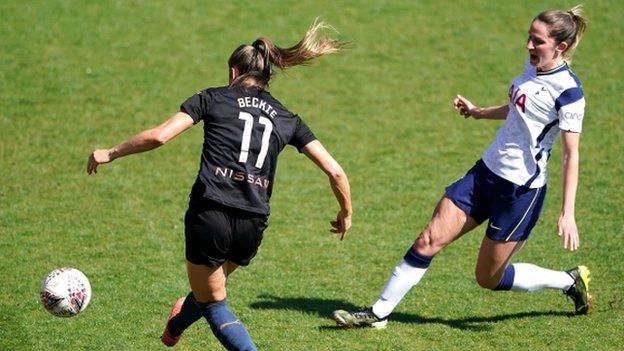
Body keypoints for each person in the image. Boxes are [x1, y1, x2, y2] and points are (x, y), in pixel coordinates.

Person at [87, 20, 351, 350]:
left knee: (213, 302)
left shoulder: (213, 98)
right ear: (267, 76)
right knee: (209, 289)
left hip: (210, 213)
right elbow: (336, 172)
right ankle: (175, 326)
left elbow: (159, 136)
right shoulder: (287, 117)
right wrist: (346, 212)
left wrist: (109, 152)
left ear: (232, 71)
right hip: (252, 224)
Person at [332, 5, 590, 329]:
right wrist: (479, 112)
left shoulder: (569, 93)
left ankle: (568, 281)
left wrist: (567, 212)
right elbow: (519, 109)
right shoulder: (533, 65)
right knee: (429, 239)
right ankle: (378, 313)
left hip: (520, 192)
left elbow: (571, 154)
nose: (528, 46)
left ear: (560, 47)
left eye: (537, 41)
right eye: (529, 37)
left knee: (488, 277)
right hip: (484, 173)